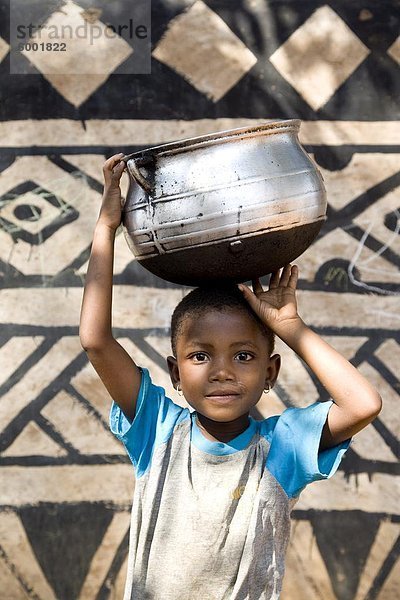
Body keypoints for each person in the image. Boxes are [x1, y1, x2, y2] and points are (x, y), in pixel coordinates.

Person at [79, 153, 382, 600]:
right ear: (174, 373)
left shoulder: (282, 447)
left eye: (244, 356)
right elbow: (95, 340)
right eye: (200, 356)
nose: (222, 372)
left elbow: (363, 404)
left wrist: (290, 327)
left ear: (269, 372)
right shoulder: (157, 430)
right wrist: (106, 228)